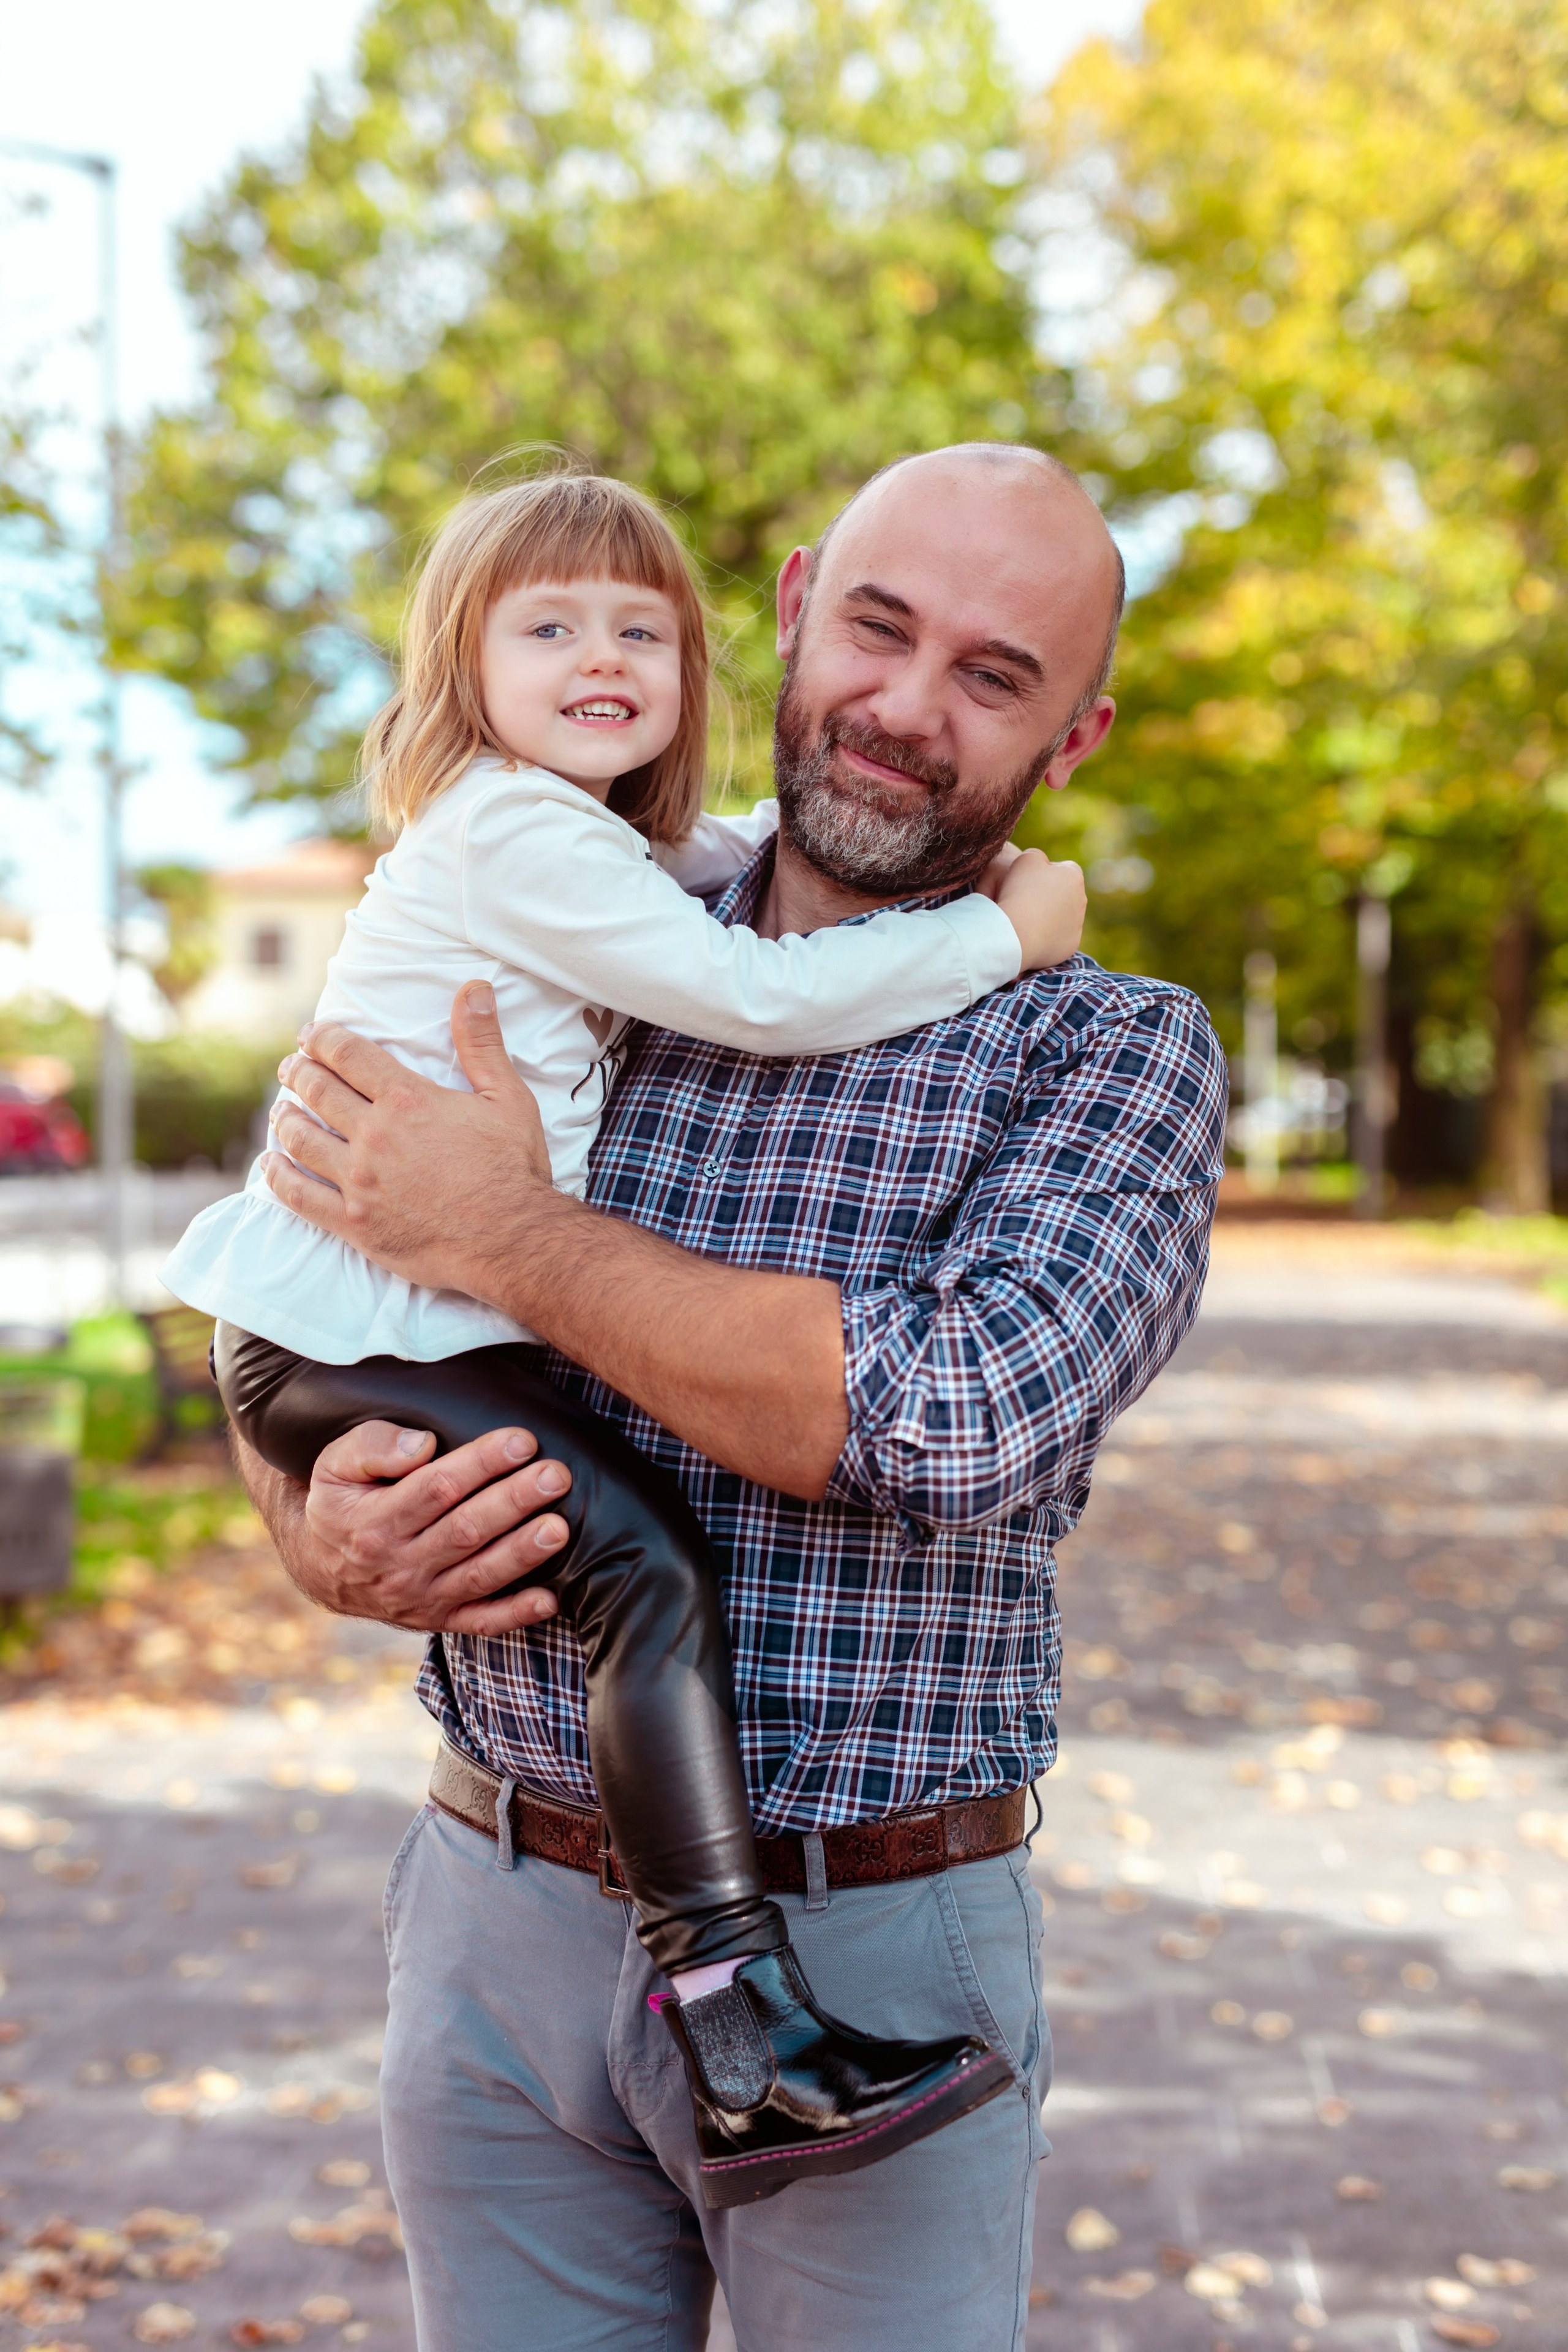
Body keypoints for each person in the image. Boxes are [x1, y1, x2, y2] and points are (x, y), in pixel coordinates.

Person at [237, 443, 1228, 2351]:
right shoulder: (568, 923)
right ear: (786, 609)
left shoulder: (1105, 1048)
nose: (907, 708)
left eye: (993, 675)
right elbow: (305, 1247)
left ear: (1075, 735)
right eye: (877, 627)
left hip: (875, 1947)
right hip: (495, 1919)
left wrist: (518, 1241)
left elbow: (950, 1421)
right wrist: (320, 1532)